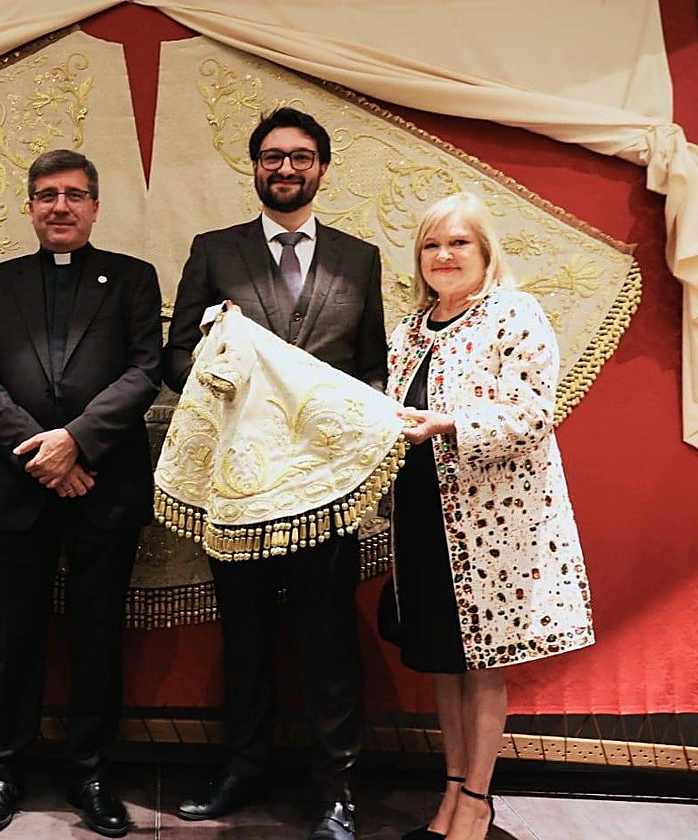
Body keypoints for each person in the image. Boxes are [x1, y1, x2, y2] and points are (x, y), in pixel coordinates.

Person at [163, 107, 386, 840]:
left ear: (322, 167)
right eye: (270, 157)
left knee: (328, 644)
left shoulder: (360, 259)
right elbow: (174, 361)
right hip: (242, 486)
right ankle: (242, 768)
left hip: (327, 495)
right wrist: (212, 358)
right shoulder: (214, 249)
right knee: (247, 637)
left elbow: (374, 371)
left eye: (299, 157)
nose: (284, 169)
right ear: (253, 166)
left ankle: (337, 791)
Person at [0, 149, 162, 837]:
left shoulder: (134, 278)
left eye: (74, 195)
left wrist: (76, 440)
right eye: (46, 194)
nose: (60, 206)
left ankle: (91, 772)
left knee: (97, 637)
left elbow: (146, 371)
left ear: (96, 207)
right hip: (19, 488)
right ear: (30, 206)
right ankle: (3, 770)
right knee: (14, 638)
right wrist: (43, 454)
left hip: (103, 483)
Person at [386, 192, 594, 840]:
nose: (444, 256)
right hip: (424, 517)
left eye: (458, 244)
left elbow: (533, 414)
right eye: (431, 245)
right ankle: (450, 791)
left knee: (482, 662)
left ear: (484, 250)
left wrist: (451, 423)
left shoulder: (514, 313)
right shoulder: (410, 328)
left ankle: (477, 801)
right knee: (444, 659)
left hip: (491, 526)